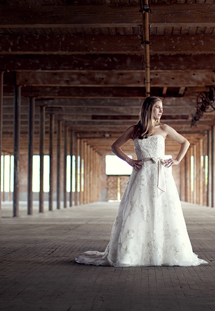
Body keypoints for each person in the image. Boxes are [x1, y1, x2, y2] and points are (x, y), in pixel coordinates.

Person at [75, 96, 207, 267]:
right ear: (148, 109)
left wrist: (176, 160)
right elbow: (115, 146)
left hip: (161, 175)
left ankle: (162, 253)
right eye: (158, 107)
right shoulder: (134, 130)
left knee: (163, 210)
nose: (161, 110)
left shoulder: (164, 128)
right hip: (142, 175)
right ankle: (133, 252)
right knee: (138, 210)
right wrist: (130, 161)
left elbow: (185, 142)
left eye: (161, 107)